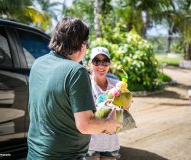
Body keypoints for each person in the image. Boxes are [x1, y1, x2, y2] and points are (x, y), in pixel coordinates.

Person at [27, 18, 120, 160]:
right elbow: (86, 125)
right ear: (82, 45)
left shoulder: (38, 63)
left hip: (35, 153)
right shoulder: (76, 71)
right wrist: (110, 124)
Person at [86, 47, 121, 160]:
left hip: (111, 144)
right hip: (90, 145)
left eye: (105, 62)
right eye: (96, 62)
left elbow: (124, 112)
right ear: (90, 64)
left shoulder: (117, 85)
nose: (101, 66)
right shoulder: (84, 85)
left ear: (109, 64)